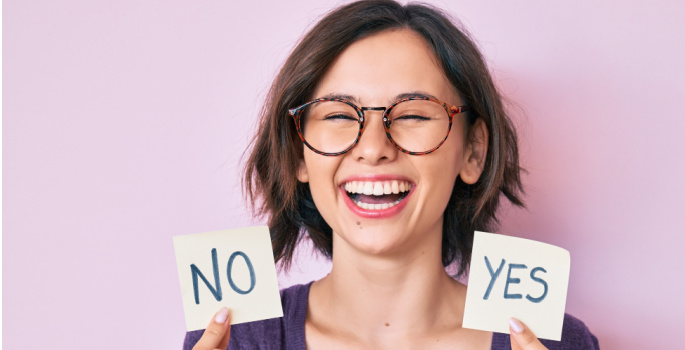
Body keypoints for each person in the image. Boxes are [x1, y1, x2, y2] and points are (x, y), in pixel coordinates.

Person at [184, 1, 599, 349]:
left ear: (473, 151)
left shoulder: (555, 342)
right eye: (338, 115)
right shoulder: (231, 340)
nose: (373, 148)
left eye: (414, 114)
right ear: (298, 154)